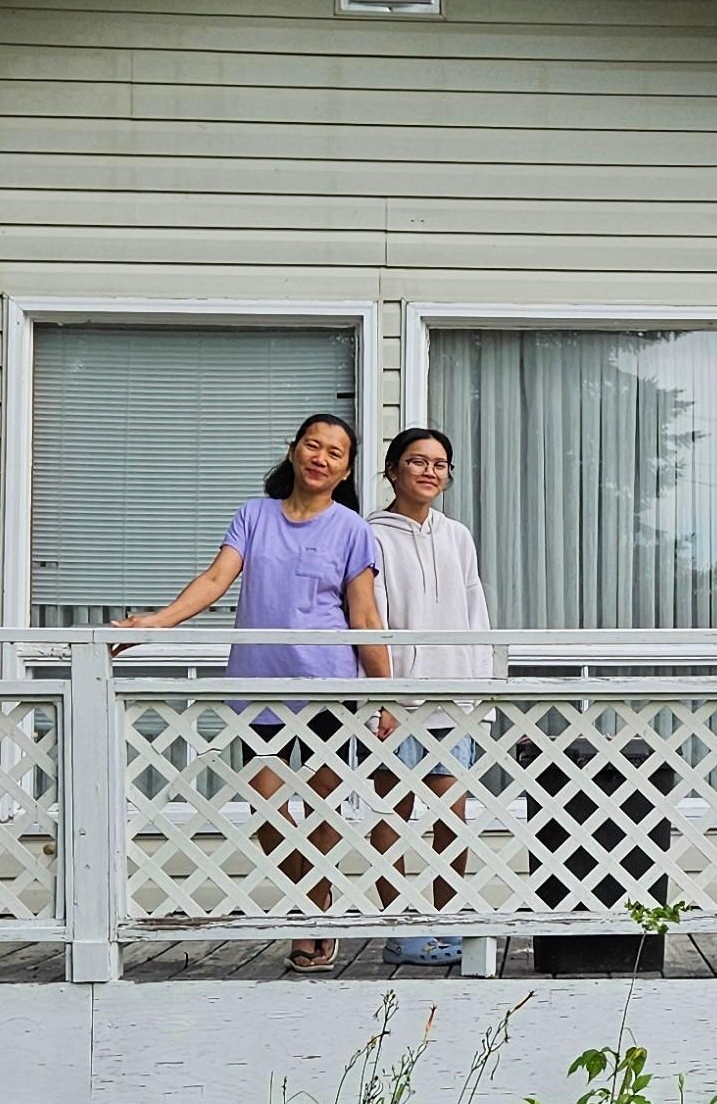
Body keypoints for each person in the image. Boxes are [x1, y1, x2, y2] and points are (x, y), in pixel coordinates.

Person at [122, 413, 390, 974]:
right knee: (266, 808)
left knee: (320, 807)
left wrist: (383, 693)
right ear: (293, 452)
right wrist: (158, 622)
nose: (321, 458)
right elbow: (217, 579)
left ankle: (311, 918)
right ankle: (312, 902)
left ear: (345, 471)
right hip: (257, 685)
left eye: (335, 453)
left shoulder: (351, 529)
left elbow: (364, 615)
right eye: (313, 446)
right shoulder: (255, 515)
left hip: (325, 687)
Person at [366, 428, 496, 968]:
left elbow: (474, 609)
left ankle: (448, 923)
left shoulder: (457, 535)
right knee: (393, 813)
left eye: (440, 464)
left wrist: (479, 689)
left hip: (452, 699)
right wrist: (383, 698)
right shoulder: (369, 534)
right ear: (393, 469)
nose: (429, 472)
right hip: (397, 703)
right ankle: (400, 927)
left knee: (453, 814)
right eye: (417, 461)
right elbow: (369, 617)